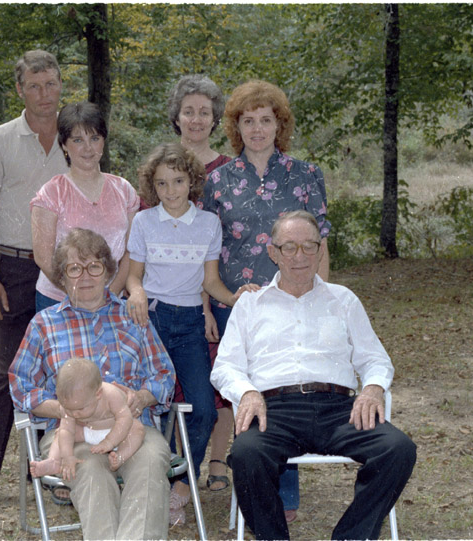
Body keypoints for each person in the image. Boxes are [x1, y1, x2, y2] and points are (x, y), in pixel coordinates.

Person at [211, 210, 416, 540]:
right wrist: (247, 392)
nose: (300, 256)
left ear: (321, 250)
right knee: (247, 454)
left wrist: (374, 388)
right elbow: (225, 367)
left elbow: (376, 359)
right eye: (289, 247)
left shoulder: (343, 299)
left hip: (338, 410)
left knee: (397, 448)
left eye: (309, 246)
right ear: (273, 252)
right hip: (273, 411)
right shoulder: (250, 305)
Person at [201, 78, 335, 521]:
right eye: (248, 120)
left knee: (286, 388)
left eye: (266, 119)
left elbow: (319, 245)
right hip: (236, 305)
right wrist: (209, 305)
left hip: (293, 301)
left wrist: (321, 299)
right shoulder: (216, 181)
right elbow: (206, 252)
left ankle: (284, 497)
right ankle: (256, 491)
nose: (257, 128)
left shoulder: (305, 175)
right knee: (247, 393)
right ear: (236, 126)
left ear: (280, 124)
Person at [9, 228, 175, 539]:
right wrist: (65, 410)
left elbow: (164, 375)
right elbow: (19, 386)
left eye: (94, 266)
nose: (85, 276)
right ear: (62, 276)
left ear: (108, 271)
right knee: (91, 470)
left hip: (133, 429)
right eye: (74, 268)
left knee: (151, 462)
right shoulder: (44, 324)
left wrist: (140, 398)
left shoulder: (132, 317)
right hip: (72, 435)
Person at [126, 142, 258, 525]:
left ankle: (181, 483)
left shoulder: (207, 224)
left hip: (187, 325)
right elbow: (135, 275)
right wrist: (135, 291)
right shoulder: (144, 222)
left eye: (178, 181)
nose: (170, 191)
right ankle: (143, 484)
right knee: (147, 406)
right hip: (148, 322)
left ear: (192, 181)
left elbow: (211, 282)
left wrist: (235, 299)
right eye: (162, 183)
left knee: (202, 409)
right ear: (153, 186)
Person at [0, 50, 67, 509]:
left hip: (66, 270)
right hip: (14, 267)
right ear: (20, 90)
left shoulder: (76, 136)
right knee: (9, 372)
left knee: (63, 372)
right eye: (34, 86)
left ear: (62, 86)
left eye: (51, 84)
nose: (44, 95)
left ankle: (50, 470)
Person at [167, 74, 234, 493]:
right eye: (188, 111)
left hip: (221, 286)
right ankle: (179, 467)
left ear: (215, 119)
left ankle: (219, 460)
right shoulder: (163, 166)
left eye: (204, 112)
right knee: (178, 383)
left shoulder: (229, 170)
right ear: (176, 117)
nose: (195, 119)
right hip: (175, 296)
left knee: (222, 376)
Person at [31, 101, 138, 312]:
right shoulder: (51, 193)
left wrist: (110, 294)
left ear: (103, 141)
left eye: (95, 138)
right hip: (59, 299)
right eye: (78, 140)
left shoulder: (124, 190)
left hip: (112, 299)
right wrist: (79, 294)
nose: (88, 148)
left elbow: (131, 252)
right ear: (63, 144)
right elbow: (43, 257)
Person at [29, 357, 145, 479]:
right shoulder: (71, 405)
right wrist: (68, 457)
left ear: (98, 394)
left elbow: (124, 419)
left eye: (80, 409)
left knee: (137, 429)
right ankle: (53, 461)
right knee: (61, 433)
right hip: (88, 432)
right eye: (68, 409)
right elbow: (67, 431)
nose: (74, 414)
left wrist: (109, 442)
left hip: (118, 433)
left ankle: (120, 457)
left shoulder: (111, 395)